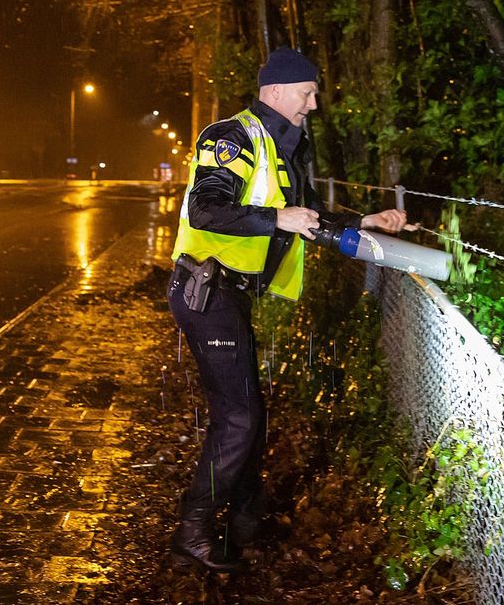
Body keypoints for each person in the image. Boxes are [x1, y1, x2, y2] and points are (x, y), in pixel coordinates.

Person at [166, 47, 413, 573]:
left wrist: (367, 221)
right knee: (239, 417)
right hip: (205, 289)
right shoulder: (229, 136)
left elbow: (306, 217)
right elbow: (206, 208)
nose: (315, 103)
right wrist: (278, 217)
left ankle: (244, 523)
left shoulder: (285, 146)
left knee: (247, 413)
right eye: (307, 92)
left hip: (230, 295)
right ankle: (193, 531)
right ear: (277, 91)